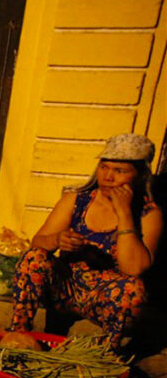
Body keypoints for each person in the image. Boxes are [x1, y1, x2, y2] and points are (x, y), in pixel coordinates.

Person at [9, 133, 162, 350]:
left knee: (134, 289)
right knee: (33, 258)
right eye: (104, 167)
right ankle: (18, 335)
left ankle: (106, 353)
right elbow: (38, 242)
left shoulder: (148, 214)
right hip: (65, 290)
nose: (108, 177)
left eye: (119, 171)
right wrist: (57, 239)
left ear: (140, 176)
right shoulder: (76, 201)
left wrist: (124, 213)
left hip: (103, 300)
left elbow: (134, 268)